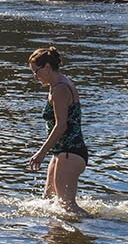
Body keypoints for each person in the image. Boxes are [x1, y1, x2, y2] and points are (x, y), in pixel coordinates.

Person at [28, 46, 89, 217]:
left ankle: (98, 228)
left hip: (70, 152)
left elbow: (61, 126)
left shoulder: (60, 89)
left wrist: (41, 153)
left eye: (36, 71)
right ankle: (57, 239)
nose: (35, 76)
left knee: (67, 206)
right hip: (61, 152)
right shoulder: (56, 85)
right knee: (49, 201)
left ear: (47, 67)